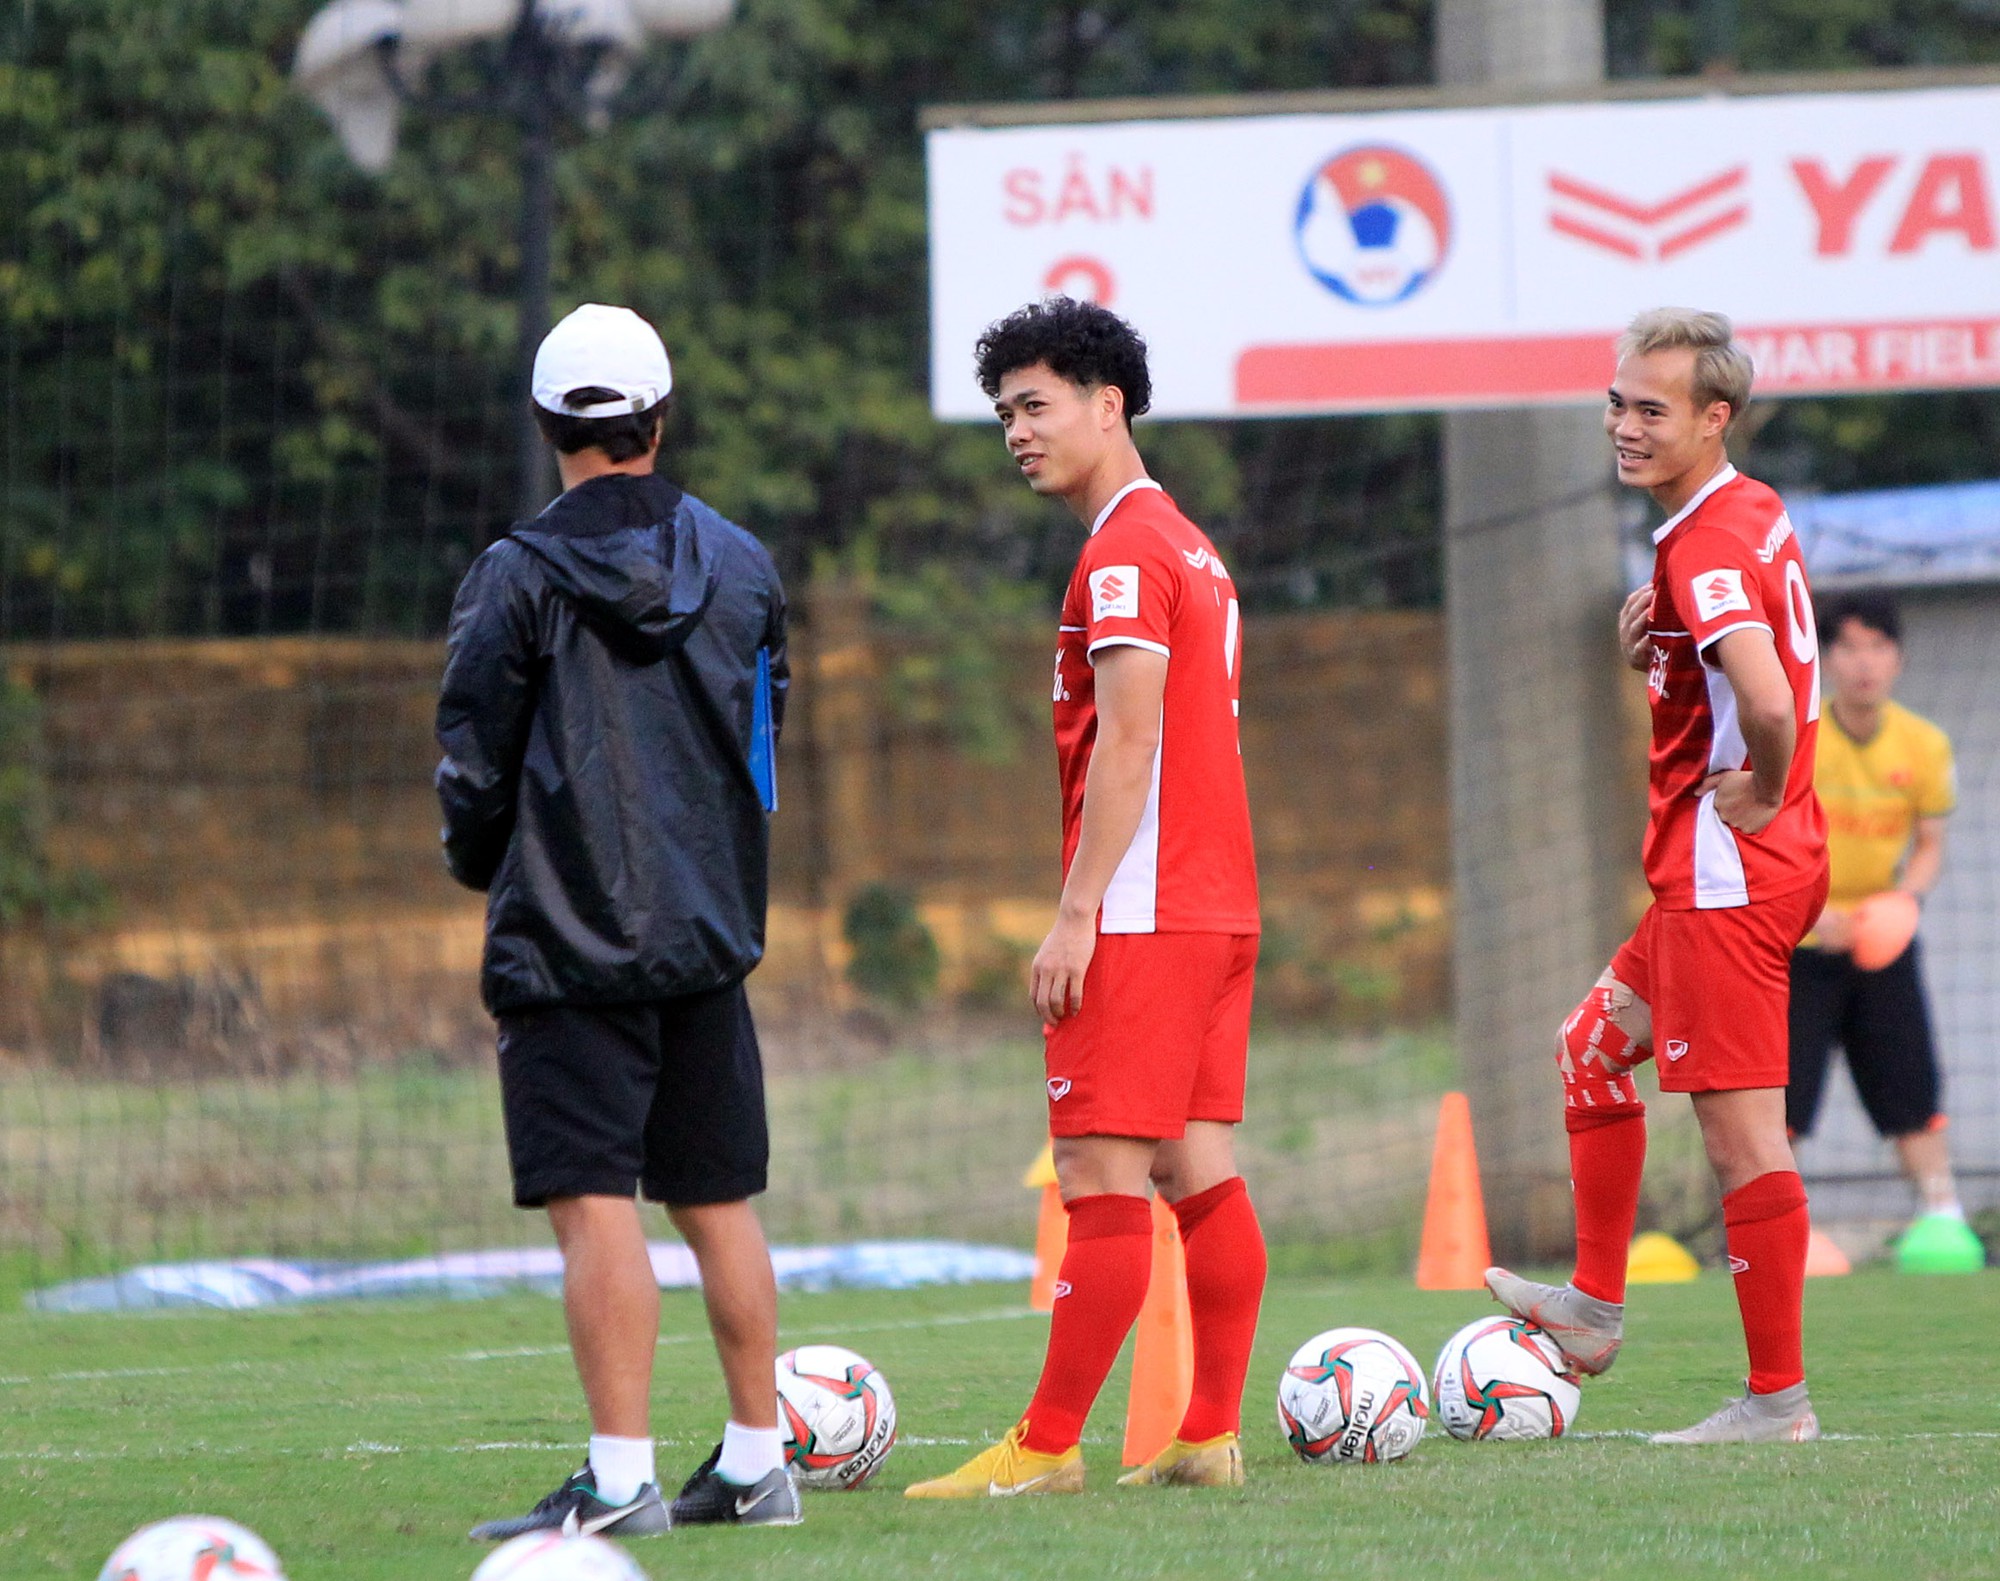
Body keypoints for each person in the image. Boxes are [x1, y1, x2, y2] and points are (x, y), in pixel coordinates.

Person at [437, 303, 800, 1537]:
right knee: (715, 1201)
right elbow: (763, 742)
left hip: (567, 939)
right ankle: (758, 1467)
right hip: (706, 938)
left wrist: (478, 859)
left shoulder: (516, 573)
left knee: (595, 1200)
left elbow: (474, 755)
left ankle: (618, 1479)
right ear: (661, 416)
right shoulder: (743, 563)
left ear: (546, 423)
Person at [906, 299, 1266, 1499]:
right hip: (1216, 904)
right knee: (1198, 1166)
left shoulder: (1121, 554)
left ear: (1108, 405)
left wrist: (1073, 913)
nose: (1014, 431)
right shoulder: (1189, 544)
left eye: (1035, 404)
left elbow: (1127, 744)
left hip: (1144, 911)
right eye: (1003, 412)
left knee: (1099, 1175)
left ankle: (1046, 1450)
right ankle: (1207, 1434)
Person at [1484, 308, 1831, 1443]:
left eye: (1649, 409)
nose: (1620, 426)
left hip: (1729, 872)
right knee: (1587, 1046)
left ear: (1710, 416)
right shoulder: (1738, 507)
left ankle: (1774, 1403)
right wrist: (1665, 653)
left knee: (1739, 1139)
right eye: (1615, 402)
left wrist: (1763, 783)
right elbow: (1744, 666)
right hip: (1725, 869)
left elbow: (1769, 701)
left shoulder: (1703, 543)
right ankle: (1588, 1312)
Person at [1788, 592, 1982, 1268]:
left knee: (1911, 1088)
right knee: (1783, 1096)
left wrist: (1903, 900)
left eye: (1877, 647)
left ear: (1897, 658)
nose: (1864, 663)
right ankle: (1773, 1231)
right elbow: (1768, 841)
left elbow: (1930, 842)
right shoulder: (1798, 736)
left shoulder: (1923, 743)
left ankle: (1943, 1217)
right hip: (1799, 943)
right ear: (1827, 659)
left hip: (1883, 941)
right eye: (1848, 647)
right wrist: (1814, 913)